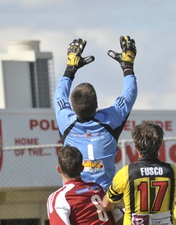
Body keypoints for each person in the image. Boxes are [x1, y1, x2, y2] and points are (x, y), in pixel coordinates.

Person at [54, 35, 137, 191]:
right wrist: (127, 66)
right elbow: (129, 94)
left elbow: (59, 96)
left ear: (72, 106)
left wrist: (70, 69)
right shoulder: (110, 119)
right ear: (97, 104)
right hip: (105, 200)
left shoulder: (66, 121)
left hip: (76, 199)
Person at [101, 120, 176, 225]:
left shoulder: (126, 172)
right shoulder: (172, 171)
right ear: (160, 146)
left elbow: (106, 205)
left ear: (136, 147)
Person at [47, 145, 123, 225]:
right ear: (82, 168)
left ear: (59, 169)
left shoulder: (59, 197)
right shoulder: (97, 188)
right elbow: (118, 217)